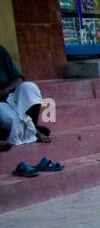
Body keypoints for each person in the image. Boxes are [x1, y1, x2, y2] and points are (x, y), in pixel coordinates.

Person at [1, 45, 55, 173]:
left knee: (29, 88)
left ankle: (33, 128)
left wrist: (5, 91)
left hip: (9, 96)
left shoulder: (1, 51)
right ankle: (30, 130)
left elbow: (18, 78)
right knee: (11, 119)